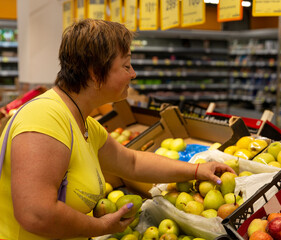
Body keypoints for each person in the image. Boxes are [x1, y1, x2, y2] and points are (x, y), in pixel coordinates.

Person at [0, 19, 235, 240]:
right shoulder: (45, 118)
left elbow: (131, 163)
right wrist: (101, 227)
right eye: (125, 65)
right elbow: (35, 213)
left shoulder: (84, 123)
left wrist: (198, 171)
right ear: (95, 72)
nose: (133, 73)